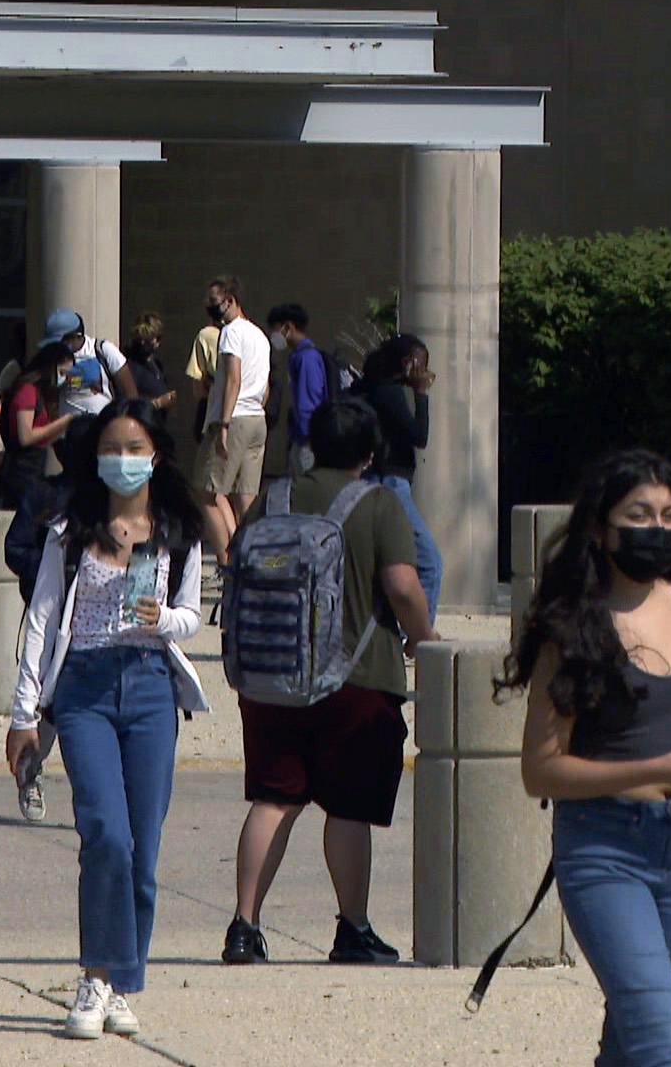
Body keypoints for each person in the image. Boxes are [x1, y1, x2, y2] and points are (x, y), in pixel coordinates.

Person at [500, 448, 671, 1066]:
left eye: (669, 516)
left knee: (633, 1038)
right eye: (640, 515)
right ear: (601, 528)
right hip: (605, 848)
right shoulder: (572, 625)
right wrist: (658, 771)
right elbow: (540, 769)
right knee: (661, 1044)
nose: (658, 530)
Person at [5, 397, 205, 1039]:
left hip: (150, 688)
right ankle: (94, 975)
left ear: (157, 456)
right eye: (112, 449)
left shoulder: (176, 530)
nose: (123, 460)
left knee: (143, 850)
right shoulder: (71, 530)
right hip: (85, 691)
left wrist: (163, 620)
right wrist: (24, 711)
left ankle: (124, 980)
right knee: (106, 836)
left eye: (135, 449)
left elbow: (192, 614)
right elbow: (41, 617)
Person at [220, 398, 441, 969]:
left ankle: (245, 925)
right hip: (358, 678)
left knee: (273, 799)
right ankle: (353, 927)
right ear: (369, 454)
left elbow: (236, 560)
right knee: (347, 807)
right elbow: (402, 585)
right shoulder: (379, 501)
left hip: (270, 675)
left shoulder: (273, 496)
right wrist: (423, 638)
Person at [354, 334, 444, 621]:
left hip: (373, 480)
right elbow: (419, 436)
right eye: (421, 365)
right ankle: (419, 632)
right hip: (390, 480)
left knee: (381, 562)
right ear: (408, 363)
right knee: (429, 560)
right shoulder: (389, 392)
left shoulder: (367, 387)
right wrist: (422, 394)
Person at [195, 275, 270, 564]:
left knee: (206, 492)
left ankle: (228, 563)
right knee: (245, 495)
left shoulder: (231, 332)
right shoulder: (260, 336)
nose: (210, 309)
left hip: (234, 417)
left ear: (230, 301)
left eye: (214, 303)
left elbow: (233, 379)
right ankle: (250, 558)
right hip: (256, 418)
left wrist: (224, 424)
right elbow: (266, 384)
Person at [2, 342, 77, 516]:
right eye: (62, 373)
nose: (64, 378)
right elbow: (26, 436)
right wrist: (63, 422)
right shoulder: (27, 391)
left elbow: (42, 437)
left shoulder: (42, 394)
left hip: (34, 467)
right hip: (21, 470)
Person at [41, 307, 138, 417]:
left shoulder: (102, 350)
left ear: (76, 336)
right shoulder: (53, 357)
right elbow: (50, 397)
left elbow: (130, 393)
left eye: (60, 341)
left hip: (102, 425)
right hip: (68, 430)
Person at [269, 303, 327, 476]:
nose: (274, 335)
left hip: (307, 441)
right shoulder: (299, 356)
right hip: (302, 438)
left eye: (276, 329)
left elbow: (309, 401)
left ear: (288, 327)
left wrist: (306, 436)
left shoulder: (307, 358)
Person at [123, 311, 176, 427]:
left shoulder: (156, 364)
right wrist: (158, 403)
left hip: (158, 425)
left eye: (147, 340)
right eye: (138, 339)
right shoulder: (128, 366)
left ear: (157, 340)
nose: (142, 343)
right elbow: (128, 404)